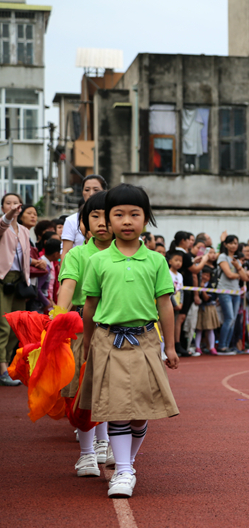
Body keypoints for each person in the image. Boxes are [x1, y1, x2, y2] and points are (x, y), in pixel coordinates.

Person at [79, 183, 180, 498]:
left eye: (134, 214)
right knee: (117, 408)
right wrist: (87, 341)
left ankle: (128, 462)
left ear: (146, 219)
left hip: (145, 340)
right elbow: (90, 306)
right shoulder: (98, 261)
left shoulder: (155, 261)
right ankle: (123, 471)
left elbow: (165, 304)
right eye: (118, 214)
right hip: (107, 340)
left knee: (140, 413)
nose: (126, 221)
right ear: (107, 221)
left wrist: (172, 346)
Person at [56, 190, 114, 475]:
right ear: (83, 223)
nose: (102, 222)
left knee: (112, 389)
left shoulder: (127, 253)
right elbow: (67, 285)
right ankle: (88, 453)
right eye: (94, 216)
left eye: (108, 216)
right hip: (82, 327)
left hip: (117, 328)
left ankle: (105, 442)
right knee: (84, 389)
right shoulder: (78, 253)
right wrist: (57, 319)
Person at [0, 193, 31, 386]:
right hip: (3, 281)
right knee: (3, 326)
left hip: (20, 283)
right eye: (7, 203)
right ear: (3, 207)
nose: (12, 206)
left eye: (15, 202)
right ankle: (3, 370)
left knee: (16, 326)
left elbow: (23, 256)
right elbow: (2, 225)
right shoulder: (2, 226)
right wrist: (8, 216)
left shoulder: (25, 230)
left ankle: (8, 365)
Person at [62, 174, 108, 256]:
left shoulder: (114, 216)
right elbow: (66, 252)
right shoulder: (71, 220)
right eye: (87, 190)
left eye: (96, 190)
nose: (91, 194)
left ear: (104, 191)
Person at [217, 235, 247, 354]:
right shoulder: (222, 257)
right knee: (229, 318)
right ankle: (222, 346)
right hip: (225, 291)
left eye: (235, 243)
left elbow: (245, 278)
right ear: (225, 244)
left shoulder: (237, 259)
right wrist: (239, 271)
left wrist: (238, 268)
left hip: (236, 291)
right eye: (231, 243)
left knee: (233, 319)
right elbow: (229, 274)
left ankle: (228, 346)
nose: (234, 245)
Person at [195, 266, 221, 355]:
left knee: (210, 328)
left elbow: (207, 298)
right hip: (200, 308)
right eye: (203, 275)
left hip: (209, 308)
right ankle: (197, 347)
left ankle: (212, 347)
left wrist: (203, 290)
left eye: (207, 275)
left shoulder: (210, 286)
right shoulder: (196, 284)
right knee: (199, 329)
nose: (205, 277)